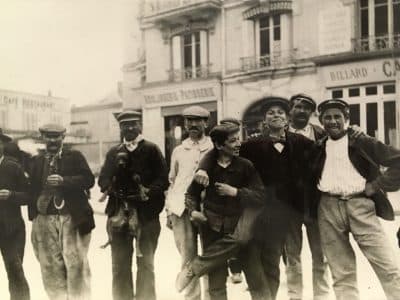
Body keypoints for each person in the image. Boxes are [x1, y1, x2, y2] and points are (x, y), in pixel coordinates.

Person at [194, 97, 316, 299]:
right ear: (264, 121)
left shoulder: (302, 143)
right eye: (270, 113)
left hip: (287, 213)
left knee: (280, 261)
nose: (276, 115)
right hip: (258, 211)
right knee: (259, 262)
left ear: (287, 119)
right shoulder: (252, 144)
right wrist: (203, 168)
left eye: (280, 112)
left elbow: (323, 152)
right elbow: (219, 151)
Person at [308, 99, 400, 300]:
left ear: (347, 119)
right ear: (322, 121)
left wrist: (377, 185)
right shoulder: (317, 147)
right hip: (328, 207)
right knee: (341, 273)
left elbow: (397, 160)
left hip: (361, 205)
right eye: (327, 117)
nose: (332, 121)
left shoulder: (361, 141)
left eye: (337, 117)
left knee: (387, 266)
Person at [178, 123, 269, 300]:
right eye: (232, 141)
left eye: (238, 139)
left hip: (240, 225)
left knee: (256, 279)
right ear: (219, 145)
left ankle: (195, 267)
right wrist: (193, 212)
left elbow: (261, 196)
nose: (238, 144)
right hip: (213, 227)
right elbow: (191, 194)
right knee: (216, 284)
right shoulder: (207, 169)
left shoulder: (245, 166)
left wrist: (236, 192)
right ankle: (197, 268)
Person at [98, 110, 168, 300]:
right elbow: (103, 177)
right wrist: (109, 187)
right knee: (119, 265)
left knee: (146, 264)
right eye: (124, 125)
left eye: (132, 124)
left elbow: (163, 179)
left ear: (140, 126)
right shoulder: (114, 152)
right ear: (120, 128)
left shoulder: (152, 149)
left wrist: (149, 190)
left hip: (147, 214)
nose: (129, 128)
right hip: (119, 212)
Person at [29, 124, 95, 300]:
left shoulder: (74, 157)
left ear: (63, 138)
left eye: (56, 136)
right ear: (43, 138)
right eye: (48, 137)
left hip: (71, 217)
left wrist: (64, 181)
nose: (52, 140)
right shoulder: (36, 161)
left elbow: (88, 180)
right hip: (44, 218)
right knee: (49, 265)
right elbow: (31, 189)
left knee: (75, 263)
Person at [284, 93, 329, 300]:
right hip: (290, 204)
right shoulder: (279, 135)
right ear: (290, 110)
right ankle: (295, 295)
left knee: (320, 254)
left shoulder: (322, 134)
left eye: (307, 108)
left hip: (316, 203)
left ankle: (321, 295)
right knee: (292, 256)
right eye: (298, 106)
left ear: (312, 113)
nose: (302, 111)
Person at [166, 105, 213, 300]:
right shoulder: (178, 150)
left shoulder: (213, 147)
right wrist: (169, 211)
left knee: (210, 256)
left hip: (208, 209)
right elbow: (172, 181)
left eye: (197, 120)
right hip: (181, 209)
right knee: (187, 257)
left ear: (206, 123)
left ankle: (212, 295)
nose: (193, 124)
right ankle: (192, 297)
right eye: (189, 121)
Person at [0, 129, 30, 300]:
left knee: (16, 273)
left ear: (3, 144)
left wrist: (11, 195)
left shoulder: (13, 167)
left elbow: (29, 196)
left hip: (11, 230)